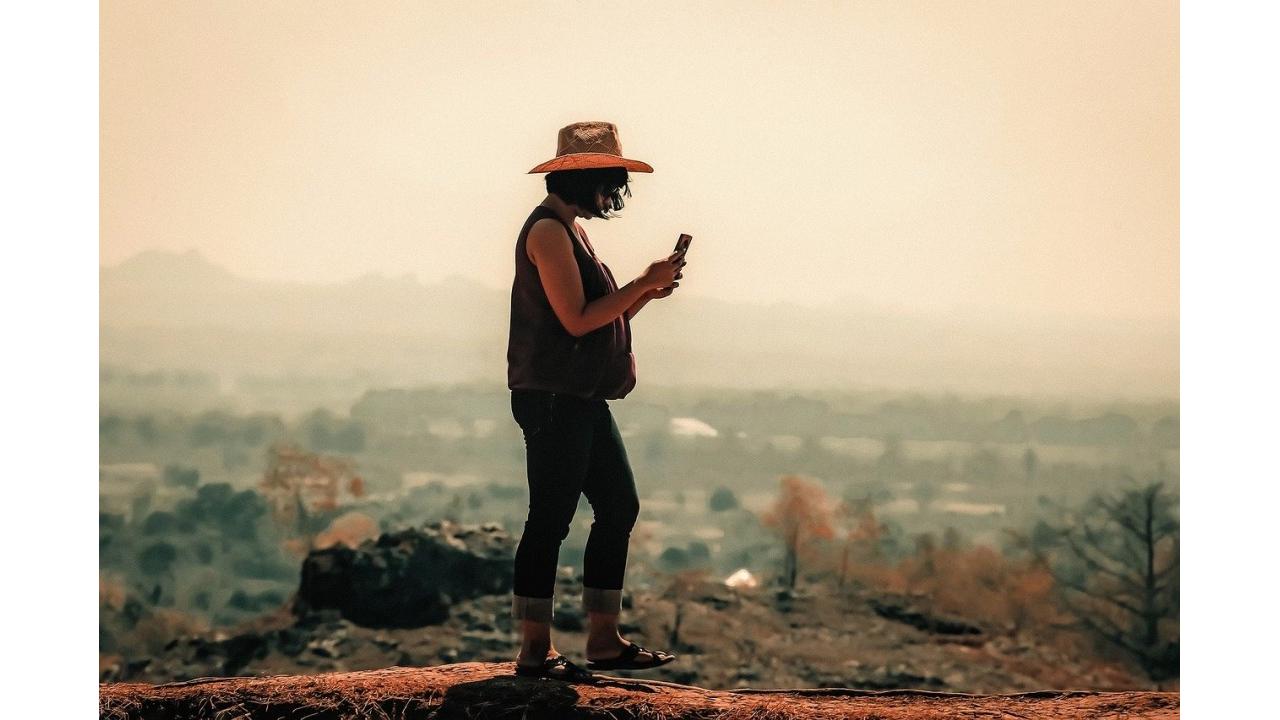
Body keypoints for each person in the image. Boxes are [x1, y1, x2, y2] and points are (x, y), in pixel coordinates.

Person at [507, 121, 686, 682]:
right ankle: (535, 652)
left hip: (578, 394)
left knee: (618, 506)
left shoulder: (571, 230)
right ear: (582, 179)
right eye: (610, 181)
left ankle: (604, 641)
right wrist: (640, 282)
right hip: (555, 397)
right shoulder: (548, 234)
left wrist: (647, 293)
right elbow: (578, 320)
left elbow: (595, 321)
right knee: (551, 519)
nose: (615, 194)